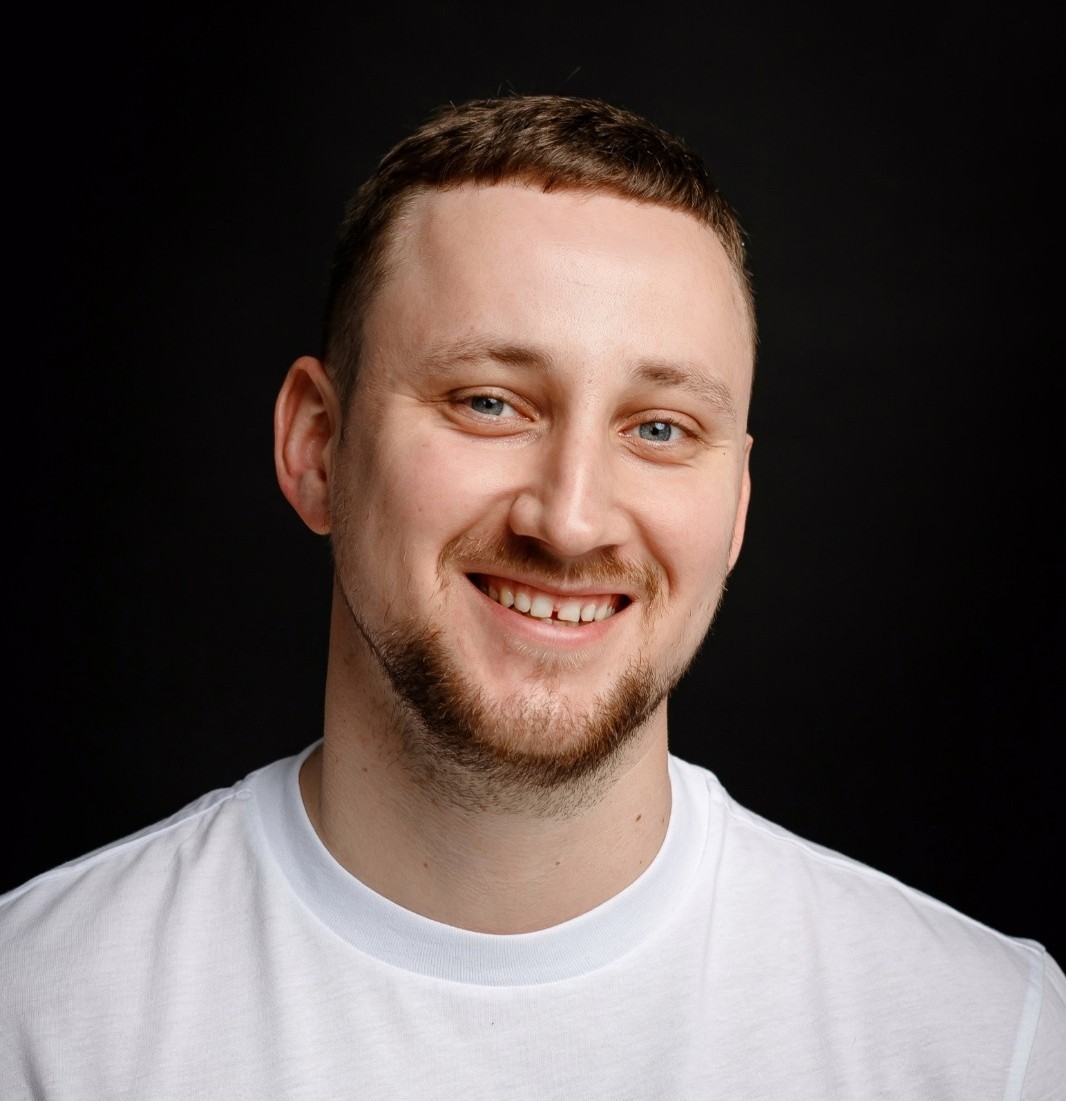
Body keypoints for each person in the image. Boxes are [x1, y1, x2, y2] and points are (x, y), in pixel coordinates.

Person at [1, 94, 1062, 1100]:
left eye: (658, 429)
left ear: (735, 506)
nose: (569, 519)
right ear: (316, 447)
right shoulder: (37, 1017)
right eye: (490, 402)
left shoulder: (986, 1042)